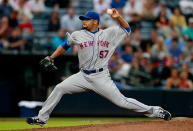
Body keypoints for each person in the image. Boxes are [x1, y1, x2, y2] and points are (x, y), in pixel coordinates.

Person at [26, 9, 171, 126]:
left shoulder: (109, 33)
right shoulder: (78, 34)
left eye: (86, 19)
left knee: (123, 102)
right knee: (59, 88)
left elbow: (127, 29)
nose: (84, 21)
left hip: (101, 77)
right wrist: (51, 57)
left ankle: (156, 111)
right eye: (83, 19)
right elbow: (65, 45)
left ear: (95, 21)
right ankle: (41, 119)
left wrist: (118, 17)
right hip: (82, 76)